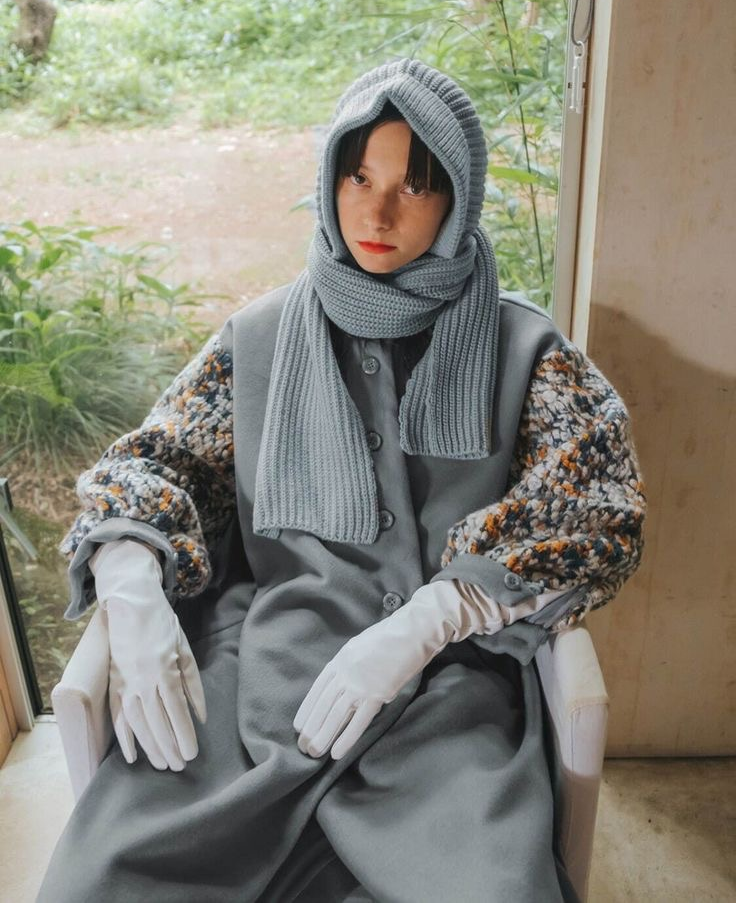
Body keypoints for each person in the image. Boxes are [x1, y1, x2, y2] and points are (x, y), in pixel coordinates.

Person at [37, 57, 646, 903]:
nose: (376, 211)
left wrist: (435, 616)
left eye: (413, 186)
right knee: (101, 881)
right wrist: (132, 588)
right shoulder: (257, 338)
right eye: (358, 176)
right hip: (253, 680)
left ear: (457, 201)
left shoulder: (525, 349)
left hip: (447, 697)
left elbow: (601, 507)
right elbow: (152, 464)